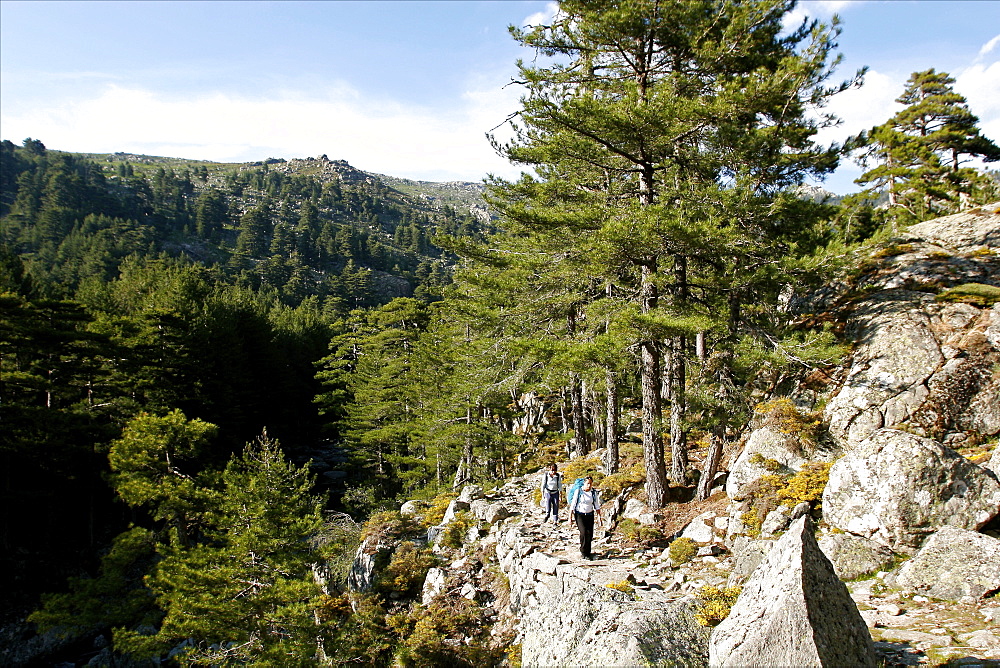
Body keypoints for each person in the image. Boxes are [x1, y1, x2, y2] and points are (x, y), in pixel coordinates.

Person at [569, 476, 602, 560]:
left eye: (590, 484)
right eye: (587, 483)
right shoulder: (579, 491)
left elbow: (596, 505)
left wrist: (599, 518)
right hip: (579, 514)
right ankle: (583, 551)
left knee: (590, 534)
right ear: (584, 483)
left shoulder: (593, 493)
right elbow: (573, 505)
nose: (589, 485)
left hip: (590, 514)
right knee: (583, 532)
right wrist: (570, 518)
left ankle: (588, 552)